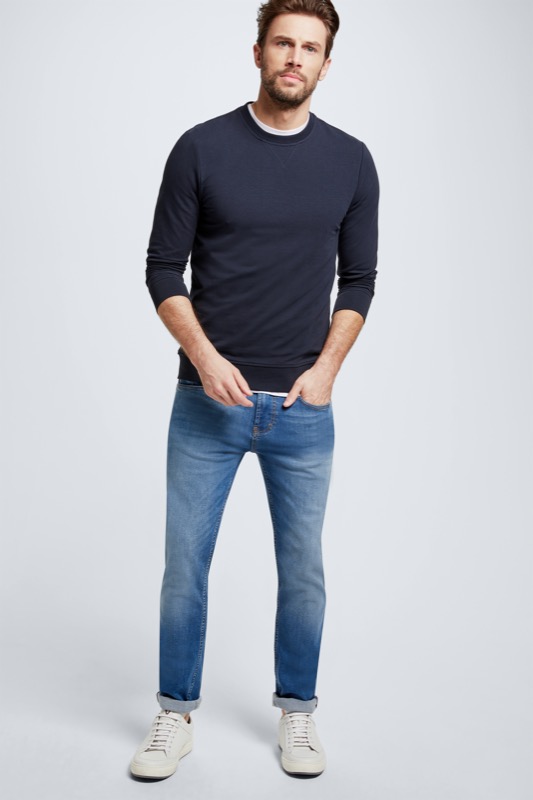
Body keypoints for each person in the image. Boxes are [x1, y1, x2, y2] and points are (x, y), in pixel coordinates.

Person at [130, 0, 379, 781]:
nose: (294, 58)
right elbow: (161, 268)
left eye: (310, 47)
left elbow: (359, 279)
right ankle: (174, 715)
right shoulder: (200, 148)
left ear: (326, 63)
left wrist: (326, 370)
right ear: (258, 52)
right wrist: (203, 358)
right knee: (184, 568)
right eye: (282, 43)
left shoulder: (350, 161)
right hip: (205, 405)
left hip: (302, 409)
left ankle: (297, 713)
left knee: (302, 571)